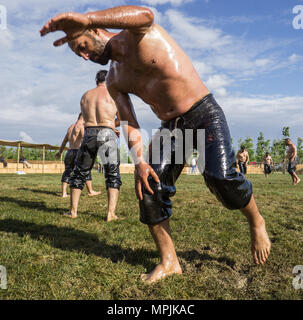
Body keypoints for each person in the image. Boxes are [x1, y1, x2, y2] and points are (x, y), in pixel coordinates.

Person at [41, 5, 271, 282]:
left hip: (203, 112)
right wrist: (139, 161)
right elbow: (129, 122)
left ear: (97, 30)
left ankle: (256, 221)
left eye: (83, 46)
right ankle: (169, 260)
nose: (85, 56)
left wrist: (87, 17)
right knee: (148, 186)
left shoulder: (137, 35)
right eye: (79, 54)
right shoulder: (114, 79)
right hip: (171, 128)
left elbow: (146, 14)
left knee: (220, 177)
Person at [61, 70, 122, 221]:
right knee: (112, 173)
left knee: (79, 172)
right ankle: (110, 214)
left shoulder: (85, 96)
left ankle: (73, 211)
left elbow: (85, 118)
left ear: (96, 81)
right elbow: (121, 119)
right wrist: (110, 126)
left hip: (89, 133)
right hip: (107, 132)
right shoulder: (114, 95)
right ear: (109, 79)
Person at [56, 113, 100, 198]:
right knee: (85, 170)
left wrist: (60, 152)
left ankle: (64, 193)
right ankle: (90, 191)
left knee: (67, 171)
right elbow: (84, 139)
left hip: (69, 152)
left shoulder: (70, 127)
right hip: (78, 152)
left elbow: (65, 141)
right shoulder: (82, 126)